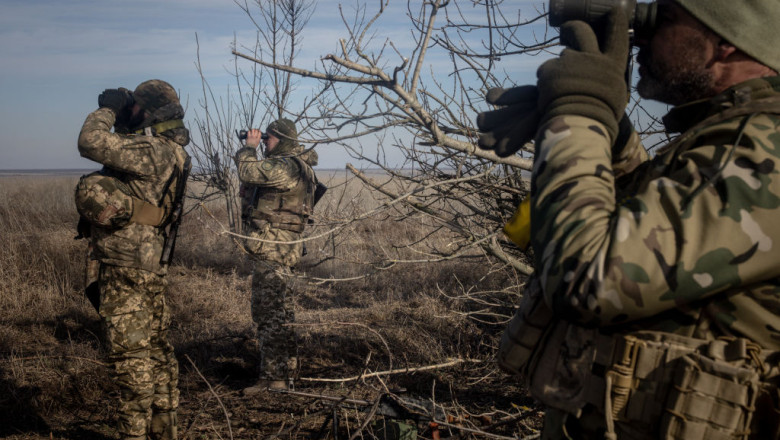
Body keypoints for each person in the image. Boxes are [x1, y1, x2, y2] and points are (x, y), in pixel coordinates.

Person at [478, 1, 780, 438]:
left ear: (727, 42)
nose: (639, 35)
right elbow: (649, 235)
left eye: (667, 18)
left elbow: (591, 276)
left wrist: (579, 111)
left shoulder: (764, 150)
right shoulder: (734, 138)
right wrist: (611, 135)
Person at [75, 79, 191, 440]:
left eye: (137, 107)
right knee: (156, 350)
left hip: (127, 265)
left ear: (150, 112)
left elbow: (90, 142)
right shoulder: (170, 150)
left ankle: (135, 435)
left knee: (131, 360)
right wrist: (129, 122)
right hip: (148, 264)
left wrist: (109, 109)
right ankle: (165, 429)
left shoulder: (152, 151)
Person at [234, 119, 319, 393]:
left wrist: (249, 147)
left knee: (269, 313)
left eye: (267, 138)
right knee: (283, 312)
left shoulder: (286, 165)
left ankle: (272, 379)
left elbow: (247, 170)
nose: (264, 142)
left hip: (274, 247)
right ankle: (287, 370)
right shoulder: (298, 166)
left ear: (280, 139)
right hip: (283, 247)